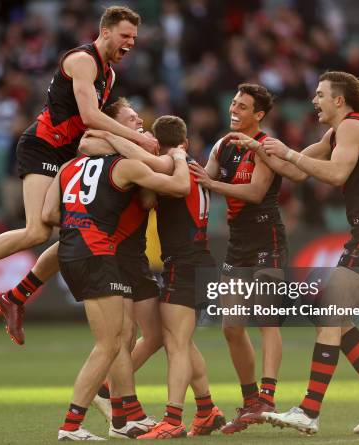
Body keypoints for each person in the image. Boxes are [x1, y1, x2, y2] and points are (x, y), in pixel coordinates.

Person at [0, 6, 157, 320]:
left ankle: (16, 296)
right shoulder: (83, 61)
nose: (131, 43)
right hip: (42, 146)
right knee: (37, 231)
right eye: (125, 35)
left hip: (65, 155)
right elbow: (90, 116)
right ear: (105, 31)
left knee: (76, 232)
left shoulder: (109, 73)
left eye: (134, 37)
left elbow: (93, 127)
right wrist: (139, 140)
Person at [234, 71, 359, 435]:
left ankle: (309, 410)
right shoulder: (338, 132)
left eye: (319, 94)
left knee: (329, 315)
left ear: (339, 100)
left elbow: (337, 174)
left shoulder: (353, 127)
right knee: (335, 320)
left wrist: (291, 153)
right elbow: (294, 170)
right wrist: (260, 149)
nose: (314, 100)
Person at [41, 125, 190, 441]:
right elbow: (179, 187)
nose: (139, 132)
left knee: (122, 336)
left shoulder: (70, 167)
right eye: (133, 127)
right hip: (98, 252)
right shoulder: (124, 165)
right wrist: (178, 157)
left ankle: (123, 420)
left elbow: (49, 213)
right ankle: (71, 425)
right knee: (109, 343)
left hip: (74, 248)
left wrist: (82, 218)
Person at [189, 83, 286, 433]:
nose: (234, 109)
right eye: (233, 102)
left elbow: (257, 192)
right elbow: (201, 180)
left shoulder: (266, 146)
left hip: (267, 236)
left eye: (243, 106)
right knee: (231, 326)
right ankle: (250, 401)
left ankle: (268, 398)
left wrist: (213, 186)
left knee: (266, 318)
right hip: (238, 242)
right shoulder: (223, 145)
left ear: (258, 115)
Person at [135, 116, 224, 440]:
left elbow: (145, 201)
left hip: (184, 263)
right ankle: (207, 410)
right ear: (184, 141)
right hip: (198, 258)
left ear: (159, 144)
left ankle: (173, 419)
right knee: (182, 341)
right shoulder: (191, 164)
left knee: (175, 344)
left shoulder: (172, 168)